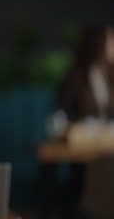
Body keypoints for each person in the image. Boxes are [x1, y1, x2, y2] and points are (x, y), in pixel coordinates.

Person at [40, 24, 114, 219]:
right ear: (98, 45)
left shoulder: (109, 75)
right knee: (67, 177)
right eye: (110, 42)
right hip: (80, 142)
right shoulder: (75, 76)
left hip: (105, 143)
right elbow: (60, 113)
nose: (113, 47)